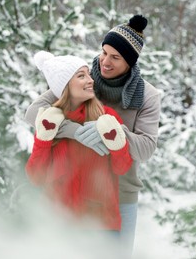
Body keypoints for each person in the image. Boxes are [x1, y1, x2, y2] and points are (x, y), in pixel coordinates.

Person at [25, 14, 161, 256]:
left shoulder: (147, 96)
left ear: (130, 61)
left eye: (115, 57)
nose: (105, 62)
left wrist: (109, 132)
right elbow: (34, 113)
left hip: (121, 192)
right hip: (75, 188)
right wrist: (75, 131)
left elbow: (146, 148)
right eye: (104, 52)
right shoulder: (82, 78)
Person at [25, 51, 133, 232]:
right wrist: (43, 138)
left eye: (89, 75)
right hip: (59, 226)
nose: (91, 80)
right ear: (65, 85)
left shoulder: (106, 117)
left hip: (100, 226)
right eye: (81, 76)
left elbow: (122, 168)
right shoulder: (50, 121)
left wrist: (117, 143)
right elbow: (36, 176)